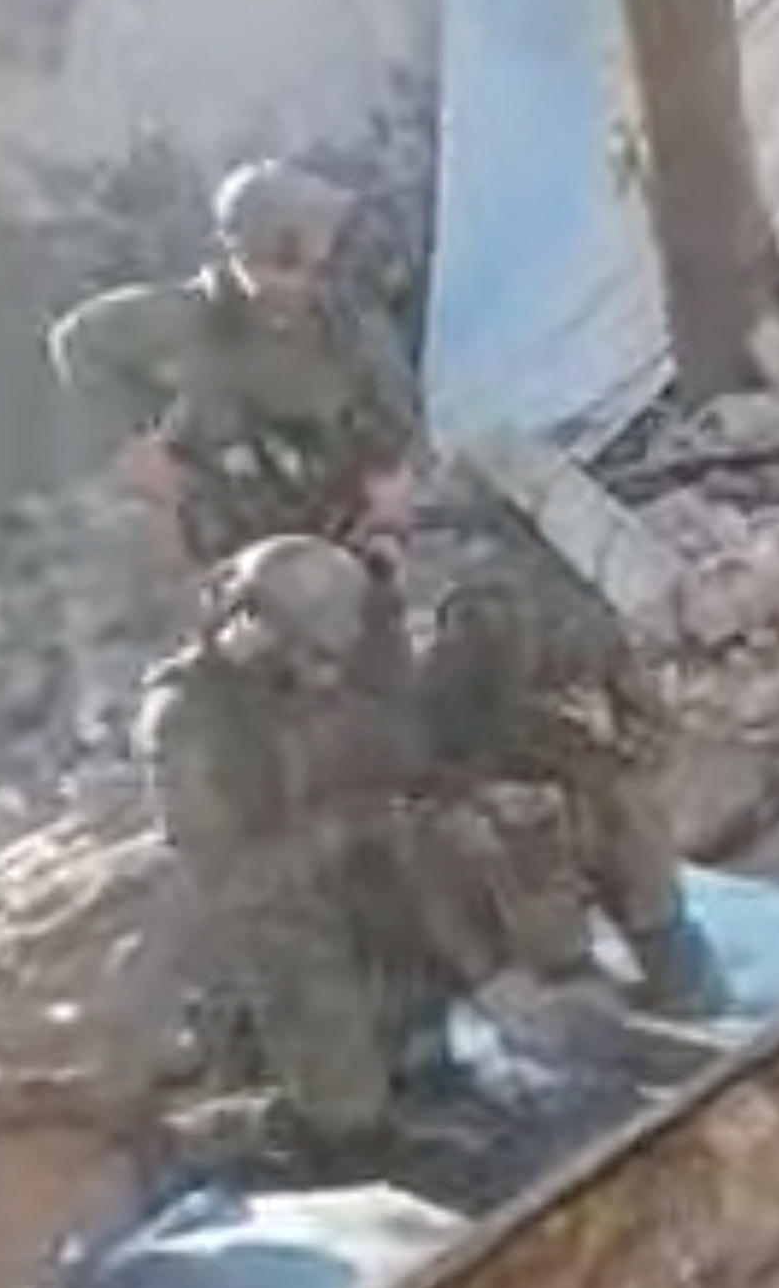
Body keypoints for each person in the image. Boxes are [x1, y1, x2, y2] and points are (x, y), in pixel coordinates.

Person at [136, 534, 471, 1153]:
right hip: (259, 921)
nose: (326, 672)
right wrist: (339, 836)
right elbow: (227, 873)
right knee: (345, 1118)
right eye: (310, 653)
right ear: (260, 628)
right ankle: (244, 1126)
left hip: (334, 878)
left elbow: (389, 755)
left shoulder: (292, 685)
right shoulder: (186, 717)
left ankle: (411, 1061)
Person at [46, 161, 427, 582]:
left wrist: (386, 520)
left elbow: (394, 439)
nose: (311, 269)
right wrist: (131, 446)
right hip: (215, 533)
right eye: (291, 252)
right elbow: (79, 342)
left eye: (320, 250)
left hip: (327, 534)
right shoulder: (188, 316)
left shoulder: (348, 326)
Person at [409, 581, 723, 1013]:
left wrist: (614, 791)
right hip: (509, 979)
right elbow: (517, 966)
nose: (587, 711)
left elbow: (667, 934)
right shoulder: (456, 819)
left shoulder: (601, 772)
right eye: (561, 692)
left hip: (624, 934)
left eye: (592, 687)